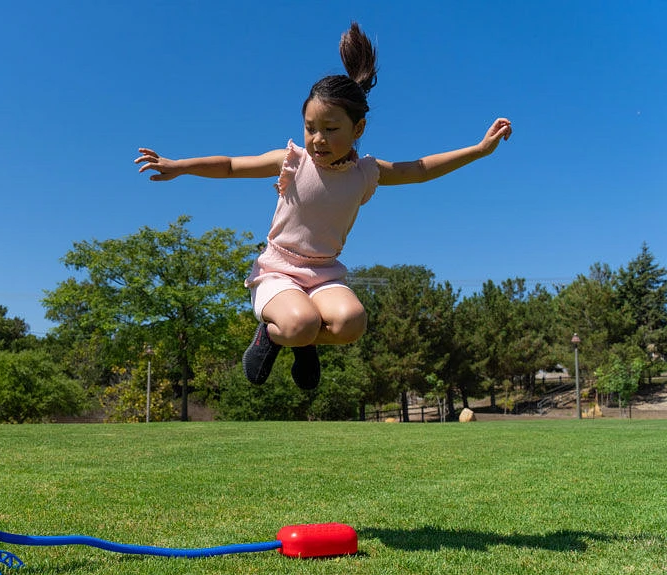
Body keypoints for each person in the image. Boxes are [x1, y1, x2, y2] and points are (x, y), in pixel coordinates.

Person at [134, 22, 512, 390]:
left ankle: (304, 340)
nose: (318, 139)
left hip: (324, 275)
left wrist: (479, 151)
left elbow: (421, 169)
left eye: (331, 129)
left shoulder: (366, 173)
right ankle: (276, 336)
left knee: (352, 323)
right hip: (279, 271)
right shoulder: (293, 161)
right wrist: (177, 166)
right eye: (310, 127)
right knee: (298, 324)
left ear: (357, 129)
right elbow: (231, 165)